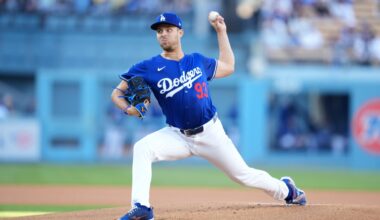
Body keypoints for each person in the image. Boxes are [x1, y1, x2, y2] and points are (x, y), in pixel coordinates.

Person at [111, 12, 307, 220]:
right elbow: (117, 93)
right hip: (177, 135)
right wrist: (127, 109)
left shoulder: (197, 61)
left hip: (211, 133)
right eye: (159, 31)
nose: (163, 35)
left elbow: (229, 66)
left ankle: (287, 191)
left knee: (243, 175)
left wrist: (221, 32)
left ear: (180, 32)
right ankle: (142, 207)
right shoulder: (147, 67)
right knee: (142, 147)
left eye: (168, 30)